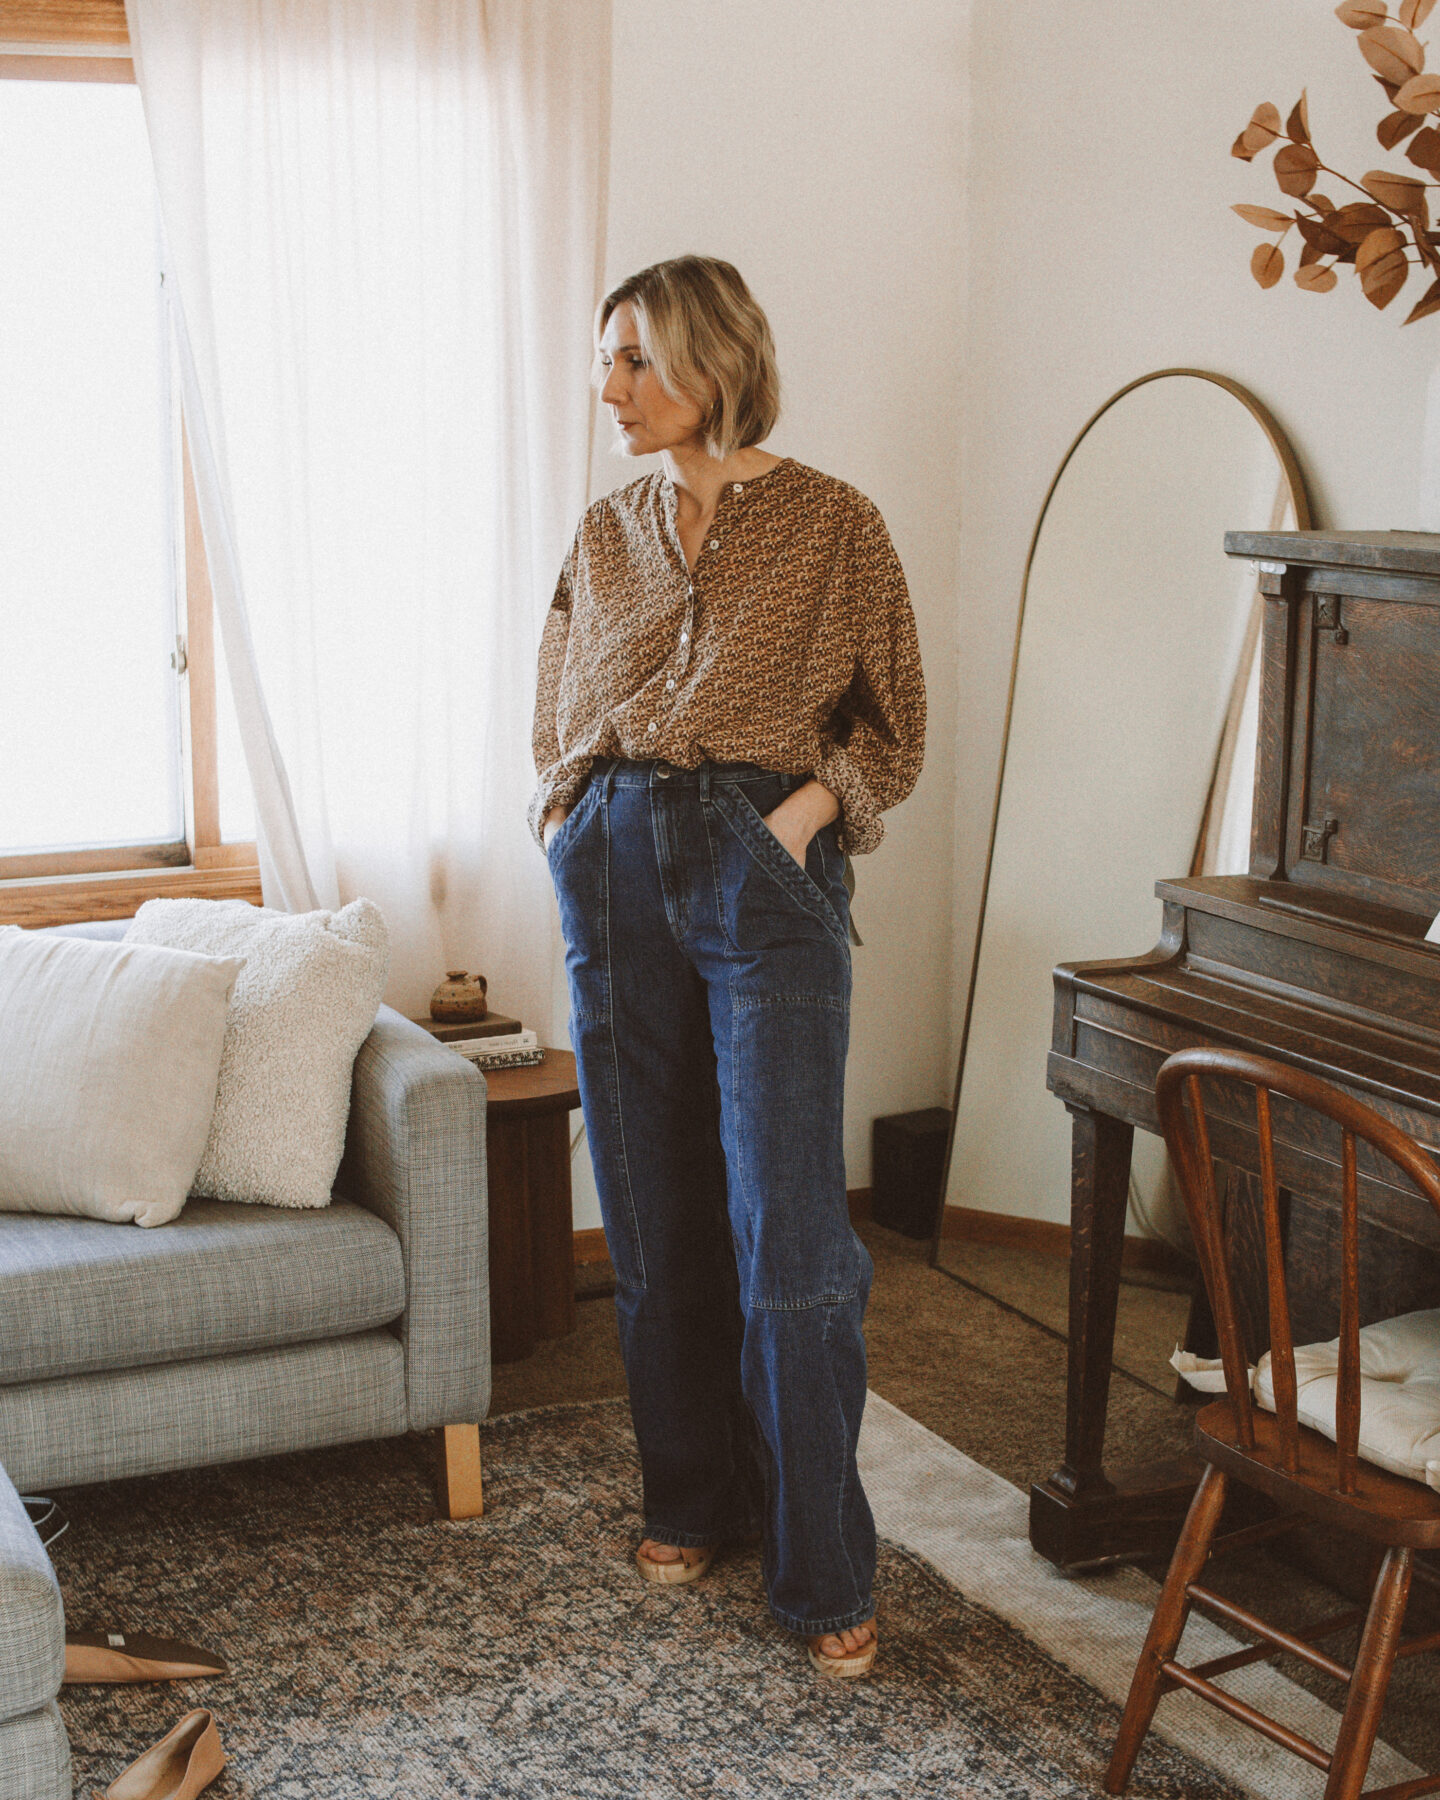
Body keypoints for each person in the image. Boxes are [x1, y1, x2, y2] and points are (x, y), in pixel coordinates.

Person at [530, 255, 925, 1678]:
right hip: (620, 853)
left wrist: (801, 817)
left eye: (634, 357)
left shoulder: (835, 524)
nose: (611, 387)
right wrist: (570, 820)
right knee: (654, 1212)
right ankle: (690, 1495)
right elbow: (556, 705)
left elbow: (893, 727)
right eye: (605, 359)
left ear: (711, 356)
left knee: (790, 1238)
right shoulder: (606, 528)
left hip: (764, 863)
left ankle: (823, 1565)